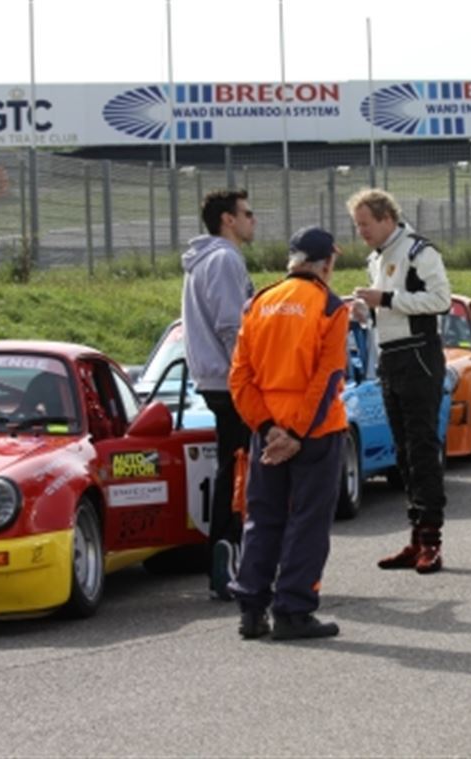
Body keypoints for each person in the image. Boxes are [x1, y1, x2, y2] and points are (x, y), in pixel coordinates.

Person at [227, 226, 348, 641]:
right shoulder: (330, 307)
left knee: (262, 519)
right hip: (314, 431)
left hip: (267, 431)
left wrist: (266, 427)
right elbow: (328, 377)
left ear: (293, 259)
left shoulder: (258, 303)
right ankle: (294, 610)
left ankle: (252, 609)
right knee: (308, 522)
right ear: (327, 263)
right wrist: (296, 432)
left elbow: (240, 377)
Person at [348, 188, 451, 574]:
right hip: (390, 358)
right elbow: (389, 307)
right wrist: (365, 311)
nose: (361, 231)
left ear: (387, 218)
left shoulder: (418, 251)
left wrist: (386, 300)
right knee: (403, 451)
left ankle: (431, 541)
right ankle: (415, 537)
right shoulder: (377, 258)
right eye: (357, 225)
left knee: (422, 447)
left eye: (365, 224)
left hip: (419, 355)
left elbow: (441, 300)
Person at [181, 189, 255, 601]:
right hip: (230, 380)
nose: (253, 221)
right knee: (240, 468)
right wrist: (249, 377)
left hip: (213, 379)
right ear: (228, 220)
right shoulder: (224, 259)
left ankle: (225, 559)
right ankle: (227, 557)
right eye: (247, 213)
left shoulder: (202, 261)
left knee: (232, 464)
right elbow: (232, 326)